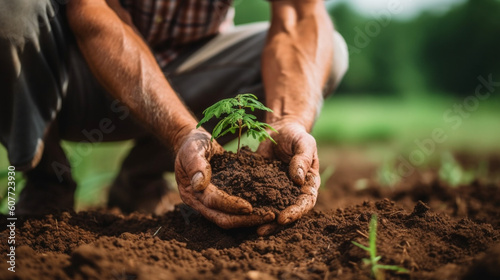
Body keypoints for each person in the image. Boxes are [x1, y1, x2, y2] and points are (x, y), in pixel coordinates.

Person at [0, 0, 348, 232]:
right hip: (70, 78)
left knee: (331, 50)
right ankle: (48, 179)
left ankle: (142, 178)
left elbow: (299, 15)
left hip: (194, 75)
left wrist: (289, 119)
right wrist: (182, 129)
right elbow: (92, 11)